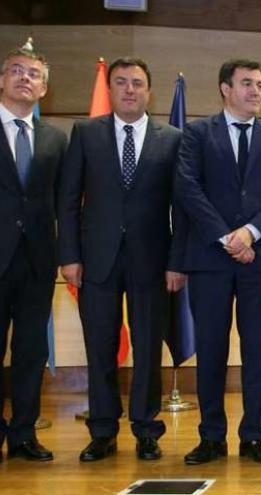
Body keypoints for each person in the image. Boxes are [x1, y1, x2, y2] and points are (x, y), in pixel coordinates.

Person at [58, 56, 186, 462]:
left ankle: (147, 429)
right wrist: (70, 256)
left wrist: (177, 260)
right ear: (110, 89)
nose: (129, 89)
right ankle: (102, 430)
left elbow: (181, 207)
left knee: (149, 347)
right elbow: (68, 200)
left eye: (137, 83)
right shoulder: (85, 133)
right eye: (121, 82)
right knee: (100, 346)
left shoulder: (172, 138)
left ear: (150, 91)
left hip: (153, 260)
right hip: (95, 259)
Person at [175, 59, 261, 465]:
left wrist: (250, 234)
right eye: (246, 84)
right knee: (211, 348)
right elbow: (188, 189)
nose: (255, 91)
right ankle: (211, 437)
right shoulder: (195, 133)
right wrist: (228, 237)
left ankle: (253, 436)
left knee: (258, 349)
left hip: (259, 260)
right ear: (225, 88)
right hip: (210, 258)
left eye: (260, 84)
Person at [0, 47, 67, 462]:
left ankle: (23, 434)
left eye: (34, 74)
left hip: (38, 261)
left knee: (30, 351)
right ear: (2, 79)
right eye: (17, 71)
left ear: (44, 87)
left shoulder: (55, 139)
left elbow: (65, 201)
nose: (26, 78)